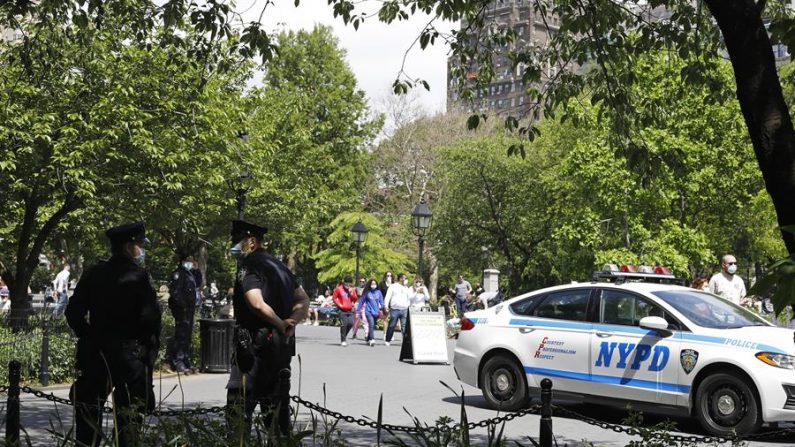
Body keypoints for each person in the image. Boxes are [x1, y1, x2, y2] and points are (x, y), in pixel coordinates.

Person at [65, 222, 161, 447]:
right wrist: (147, 355)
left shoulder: (94, 274)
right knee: (128, 424)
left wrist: (88, 336)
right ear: (129, 246)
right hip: (130, 354)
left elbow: (73, 312)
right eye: (138, 244)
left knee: (88, 424)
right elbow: (151, 320)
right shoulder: (139, 277)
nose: (140, 249)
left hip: (97, 352)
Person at [225, 220, 309, 436]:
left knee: (239, 412)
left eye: (236, 240)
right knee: (276, 414)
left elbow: (256, 302)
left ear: (251, 241)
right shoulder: (280, 266)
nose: (233, 245)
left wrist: (281, 323)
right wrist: (291, 322)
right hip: (281, 347)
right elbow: (302, 298)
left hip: (253, 348)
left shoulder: (250, 265)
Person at [168, 256, 202, 374]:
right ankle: (178, 361)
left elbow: (198, 283)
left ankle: (186, 359)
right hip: (182, 310)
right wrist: (183, 306)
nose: (191, 263)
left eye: (193, 261)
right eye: (189, 261)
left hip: (189, 310)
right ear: (183, 262)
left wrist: (197, 270)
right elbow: (175, 293)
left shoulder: (190, 274)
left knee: (187, 336)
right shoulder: (179, 274)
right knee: (181, 335)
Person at [384, 273, 410, 346]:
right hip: (394, 309)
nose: (406, 280)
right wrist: (386, 305)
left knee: (404, 326)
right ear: (400, 278)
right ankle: (388, 340)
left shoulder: (406, 288)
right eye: (404, 278)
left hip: (404, 309)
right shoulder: (393, 286)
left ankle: (405, 341)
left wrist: (408, 306)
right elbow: (388, 296)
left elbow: (409, 298)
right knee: (392, 325)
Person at [356, 279, 385, 346]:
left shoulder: (379, 292)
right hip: (368, 311)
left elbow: (381, 301)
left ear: (376, 285)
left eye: (374, 284)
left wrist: (383, 307)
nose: (373, 285)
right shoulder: (367, 292)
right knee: (371, 324)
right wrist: (358, 311)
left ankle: (368, 338)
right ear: (369, 285)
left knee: (373, 326)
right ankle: (372, 339)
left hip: (376, 312)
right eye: (372, 284)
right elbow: (361, 302)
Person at [332, 276, 358, 346]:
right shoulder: (338, 289)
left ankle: (344, 336)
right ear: (344, 283)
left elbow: (355, 299)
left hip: (350, 310)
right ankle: (343, 340)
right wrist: (339, 305)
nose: (348, 285)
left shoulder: (352, 290)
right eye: (346, 283)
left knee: (351, 323)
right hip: (341, 310)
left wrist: (352, 293)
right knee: (344, 325)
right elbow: (334, 298)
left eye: (349, 284)